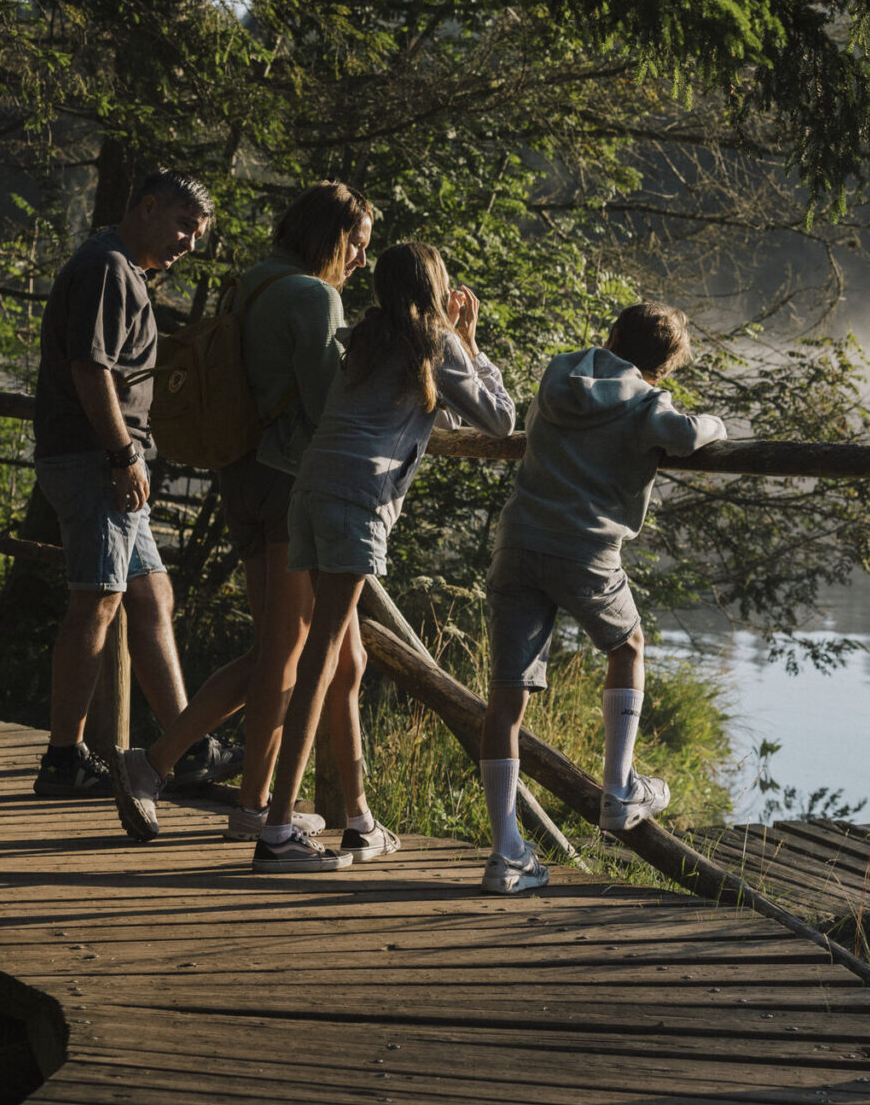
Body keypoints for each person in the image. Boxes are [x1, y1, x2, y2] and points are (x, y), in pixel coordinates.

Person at [112, 182, 375, 843]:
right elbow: (324, 406)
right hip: (290, 485)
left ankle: (252, 802)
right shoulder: (314, 296)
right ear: (332, 239)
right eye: (358, 246)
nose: (361, 262)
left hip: (241, 479)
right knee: (284, 653)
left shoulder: (251, 282)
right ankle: (155, 763)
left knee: (275, 651)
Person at [248, 241, 515, 872]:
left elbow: (432, 416)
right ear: (436, 285)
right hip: (355, 501)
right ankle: (278, 831)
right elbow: (500, 421)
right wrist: (472, 342)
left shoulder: (364, 340)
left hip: (310, 491)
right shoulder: (436, 342)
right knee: (321, 656)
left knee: (349, 655)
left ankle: (361, 821)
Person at [475, 302, 725, 895]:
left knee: (505, 698)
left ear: (611, 336)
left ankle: (505, 852)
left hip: (519, 542)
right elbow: (688, 437)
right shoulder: (647, 403)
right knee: (628, 644)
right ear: (661, 369)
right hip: (585, 552)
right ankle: (618, 791)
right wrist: (717, 424)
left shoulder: (559, 373)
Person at [30, 170, 213, 797]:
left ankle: (188, 748)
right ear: (147, 205)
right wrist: (121, 454)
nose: (189, 242)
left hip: (103, 461)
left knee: (152, 595)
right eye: (184, 225)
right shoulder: (108, 266)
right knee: (97, 601)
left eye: (198, 233)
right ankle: (63, 760)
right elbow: (90, 368)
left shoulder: (123, 269)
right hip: (93, 461)